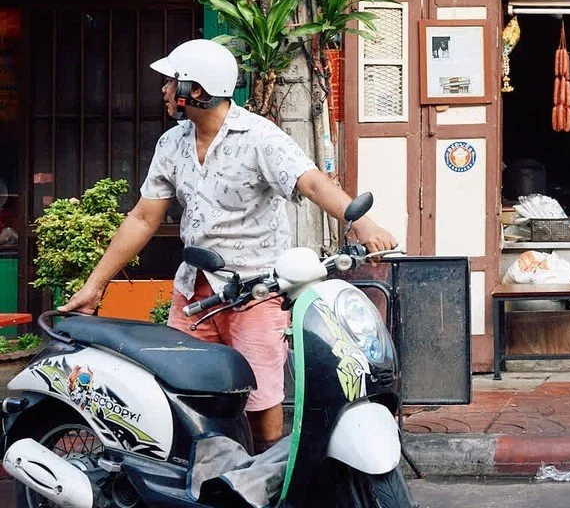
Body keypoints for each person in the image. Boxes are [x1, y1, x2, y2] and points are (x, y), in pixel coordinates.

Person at [59, 39, 397, 452]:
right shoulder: (173, 144)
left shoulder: (259, 138)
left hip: (253, 291)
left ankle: (267, 495)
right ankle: (203, 494)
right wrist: (96, 285)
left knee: (260, 407)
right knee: (187, 397)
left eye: (171, 82)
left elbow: (310, 181)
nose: (164, 90)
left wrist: (360, 221)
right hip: (194, 292)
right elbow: (143, 218)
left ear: (195, 91)